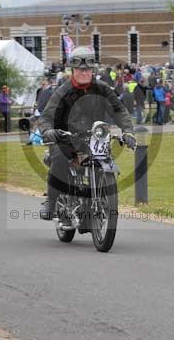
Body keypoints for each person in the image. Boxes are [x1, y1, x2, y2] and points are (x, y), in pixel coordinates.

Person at [38, 46, 136, 220]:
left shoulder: (102, 89)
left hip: (94, 138)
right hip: (66, 139)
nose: (84, 72)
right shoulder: (63, 91)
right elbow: (46, 117)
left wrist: (128, 131)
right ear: (73, 69)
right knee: (59, 159)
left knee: (105, 159)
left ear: (93, 69)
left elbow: (119, 110)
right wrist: (49, 131)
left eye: (87, 69)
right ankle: (51, 203)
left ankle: (101, 198)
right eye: (80, 69)